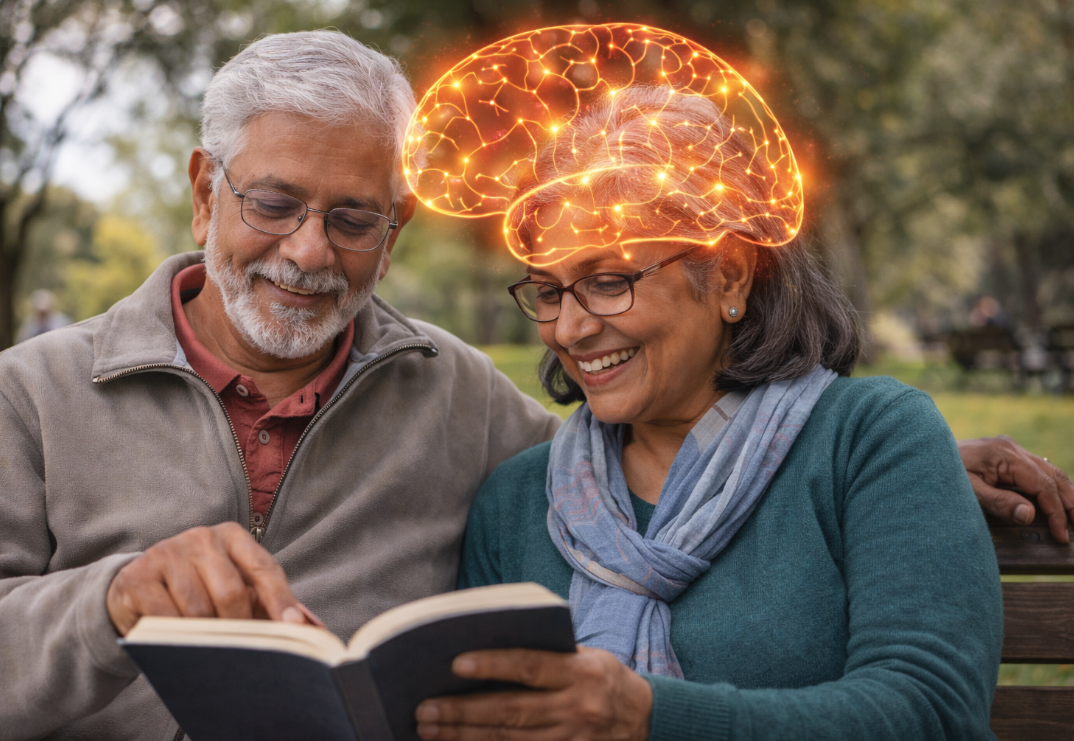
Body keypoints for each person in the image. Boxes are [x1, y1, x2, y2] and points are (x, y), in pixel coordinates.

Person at [0, 31, 558, 740]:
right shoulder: (22, 398)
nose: (309, 251)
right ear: (205, 193)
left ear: (394, 234)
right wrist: (110, 604)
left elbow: (627, 469)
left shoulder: (465, 395)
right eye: (273, 204)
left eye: (355, 219)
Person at [416, 79, 1004, 738]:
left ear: (728, 275)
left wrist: (649, 715)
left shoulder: (867, 438)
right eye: (548, 291)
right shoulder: (518, 501)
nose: (570, 330)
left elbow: (932, 711)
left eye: (607, 282)